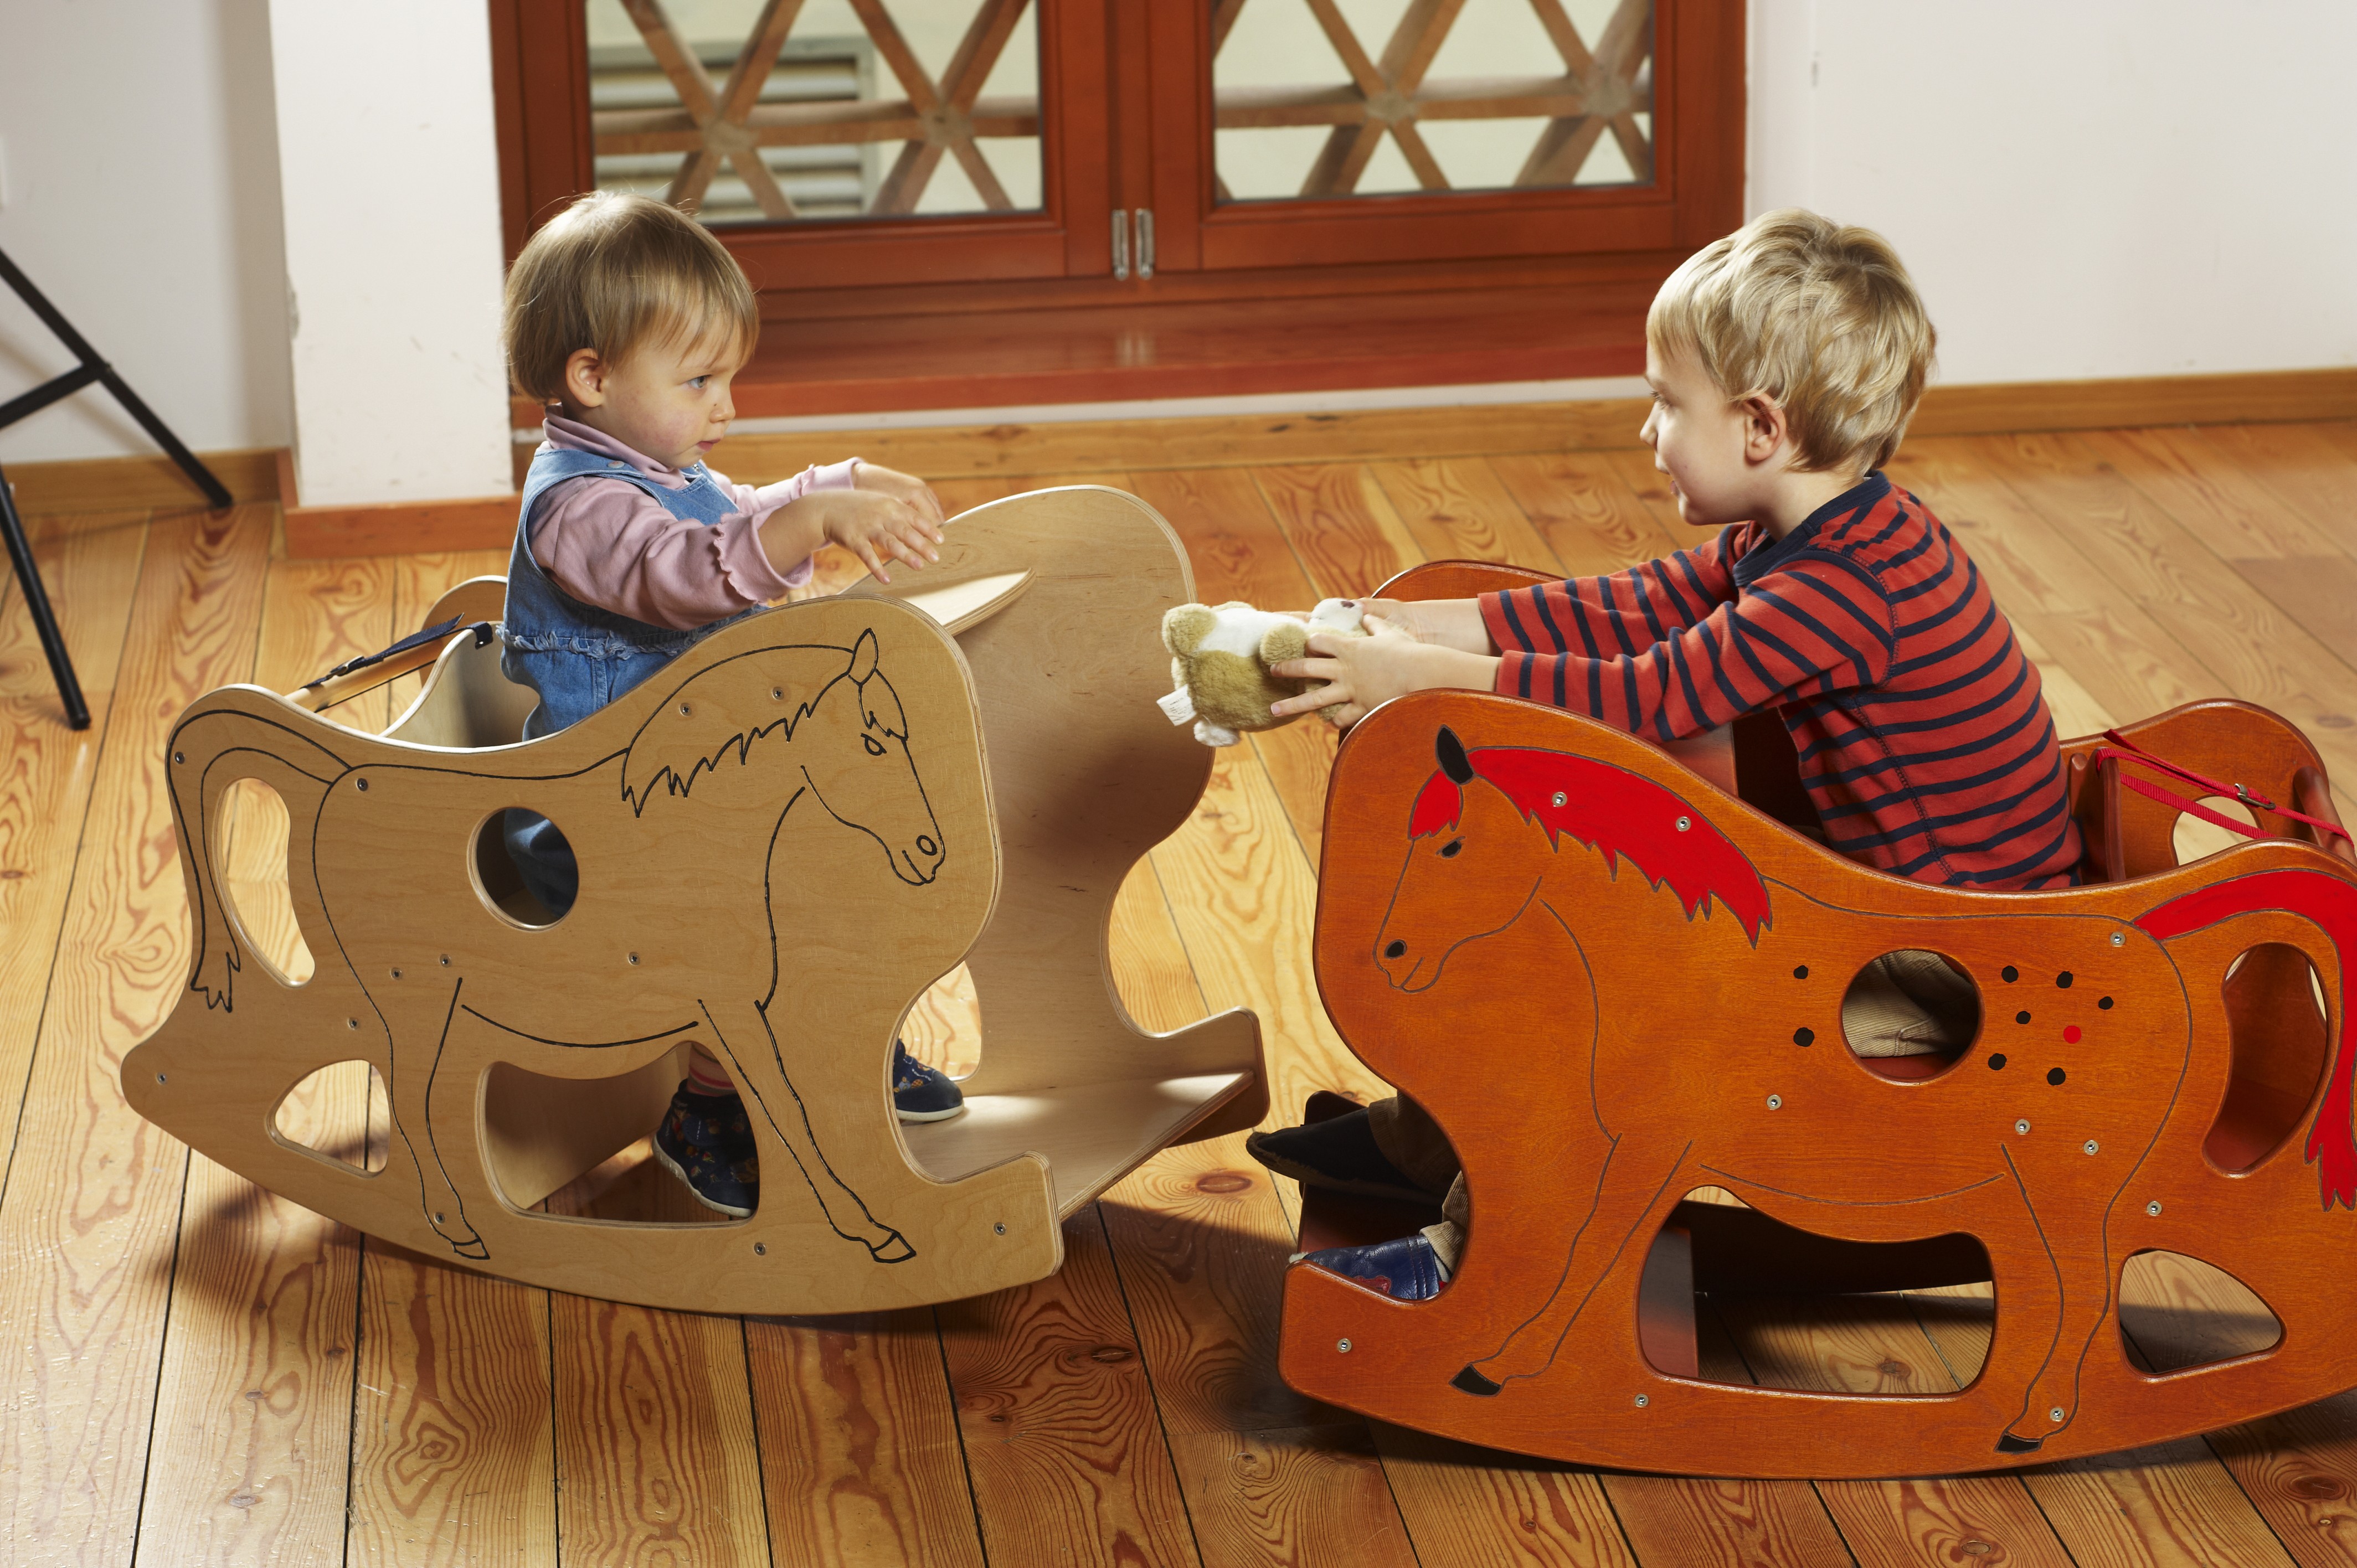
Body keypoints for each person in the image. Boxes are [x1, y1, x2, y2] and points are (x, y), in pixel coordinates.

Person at [1252, 209, 2084, 1299]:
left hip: (1967, 968)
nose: (1648, 431)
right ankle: (1429, 1144)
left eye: (1665, 403)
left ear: (1758, 427)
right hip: (1905, 916)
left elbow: (1654, 695)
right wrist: (1413, 628)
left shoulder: (1842, 589)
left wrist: (1413, 680)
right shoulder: (1815, 532)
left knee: (1635, 1012)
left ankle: (1482, 1256)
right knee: (1593, 937)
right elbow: (1632, 607)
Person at [497, 191, 966, 1219]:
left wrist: (840, 482)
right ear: (593, 378)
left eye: (728, 379)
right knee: (746, 917)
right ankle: (709, 1106)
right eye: (701, 381)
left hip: (697, 786)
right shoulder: (579, 508)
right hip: (605, 817)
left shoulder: (663, 466)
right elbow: (684, 574)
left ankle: (841, 1038)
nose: (727, 409)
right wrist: (815, 521)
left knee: (852, 853)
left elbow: (739, 513)